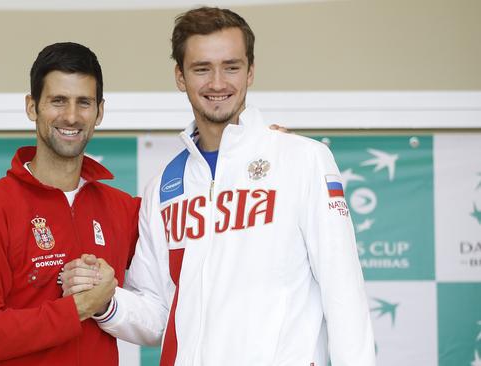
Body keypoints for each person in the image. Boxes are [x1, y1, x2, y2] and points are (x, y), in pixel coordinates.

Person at [62, 6, 376, 366]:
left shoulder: (302, 160)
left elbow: (345, 295)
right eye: (201, 69)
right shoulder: (163, 187)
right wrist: (107, 300)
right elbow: (159, 316)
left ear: (250, 71)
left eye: (231, 66)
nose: (217, 83)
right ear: (180, 77)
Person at [0, 42, 141, 365]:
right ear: (31, 107)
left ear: (100, 112)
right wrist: (79, 307)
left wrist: (109, 298)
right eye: (58, 101)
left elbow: (167, 298)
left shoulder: (123, 209)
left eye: (84, 103)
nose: (71, 116)